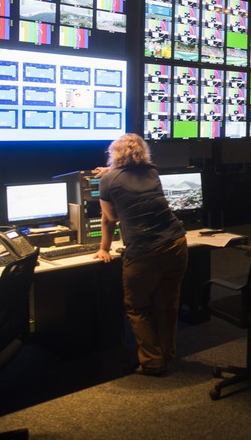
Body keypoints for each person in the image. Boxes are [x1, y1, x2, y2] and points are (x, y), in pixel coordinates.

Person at [93, 133, 189, 376]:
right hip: (176, 242)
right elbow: (129, 175)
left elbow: (109, 218)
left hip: (144, 251)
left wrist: (104, 248)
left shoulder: (108, 181)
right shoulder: (152, 172)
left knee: (137, 306)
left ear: (114, 154)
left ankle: (152, 361)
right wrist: (110, 171)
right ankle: (168, 353)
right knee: (168, 302)